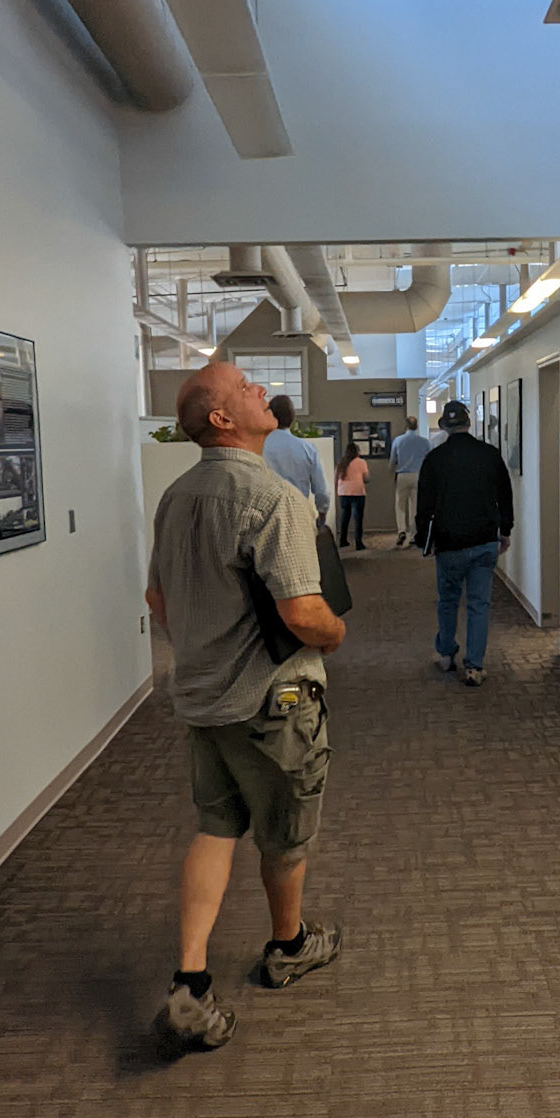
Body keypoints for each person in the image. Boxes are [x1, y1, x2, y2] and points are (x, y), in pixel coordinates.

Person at [146, 360, 347, 1051]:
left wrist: (205, 645)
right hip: (272, 704)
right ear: (222, 419)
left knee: (215, 827)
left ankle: (190, 980)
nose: (262, 390)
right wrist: (336, 634)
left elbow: (157, 598)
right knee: (285, 839)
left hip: (204, 701)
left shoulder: (176, 497)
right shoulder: (272, 498)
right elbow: (303, 613)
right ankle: (288, 946)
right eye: (245, 387)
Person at [414, 397, 513, 689]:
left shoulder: (435, 459)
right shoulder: (489, 455)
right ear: (469, 423)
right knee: (479, 604)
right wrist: (505, 530)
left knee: (448, 600)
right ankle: (475, 666)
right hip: (484, 540)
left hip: (448, 542)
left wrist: (424, 538)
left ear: (445, 426)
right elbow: (505, 496)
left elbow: (424, 504)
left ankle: (446, 654)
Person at [262, 393, 329, 521]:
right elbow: (321, 490)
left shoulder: (258, 447)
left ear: (269, 416)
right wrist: (322, 515)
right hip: (298, 515)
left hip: (266, 516)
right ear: (292, 418)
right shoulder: (308, 449)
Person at [387, 415, 430, 547]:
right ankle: (413, 534)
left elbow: (392, 460)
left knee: (400, 505)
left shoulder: (398, 440)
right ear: (416, 426)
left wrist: (391, 473)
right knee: (415, 506)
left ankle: (401, 530)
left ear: (406, 425)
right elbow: (429, 459)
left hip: (402, 475)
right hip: (418, 475)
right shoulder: (424, 441)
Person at [335, 441, 368, 550]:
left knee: (345, 516)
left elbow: (336, 477)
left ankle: (343, 540)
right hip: (358, 492)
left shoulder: (341, 462)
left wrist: (336, 490)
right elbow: (366, 478)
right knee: (358, 518)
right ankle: (358, 542)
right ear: (357, 451)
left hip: (343, 492)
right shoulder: (361, 462)